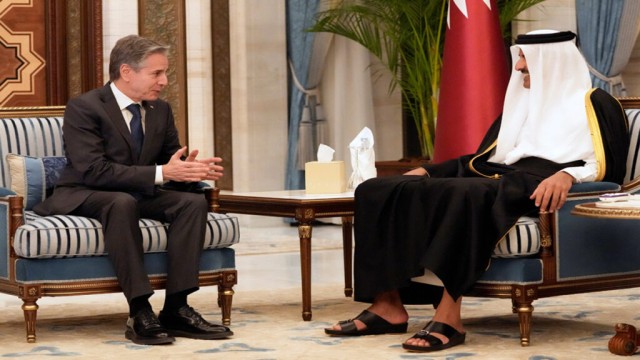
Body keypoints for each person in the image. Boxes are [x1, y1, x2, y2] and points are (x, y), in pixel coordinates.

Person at [325, 30, 629, 353]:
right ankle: (386, 305)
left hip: (534, 184)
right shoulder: (521, 104)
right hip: (498, 178)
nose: (519, 67)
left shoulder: (596, 103)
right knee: (376, 189)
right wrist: (431, 170)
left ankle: (449, 318)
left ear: (552, 62)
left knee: (464, 194)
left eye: (526, 59)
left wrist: (567, 175)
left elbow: (610, 165)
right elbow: (482, 159)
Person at [34, 35, 233, 345]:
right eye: (157, 73)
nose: (165, 81)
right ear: (126, 72)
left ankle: (177, 308)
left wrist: (188, 171)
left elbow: (168, 163)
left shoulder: (160, 110)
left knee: (191, 203)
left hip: (137, 193)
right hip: (86, 192)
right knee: (120, 202)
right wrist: (162, 172)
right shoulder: (85, 107)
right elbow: (92, 170)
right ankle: (139, 310)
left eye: (165, 73)